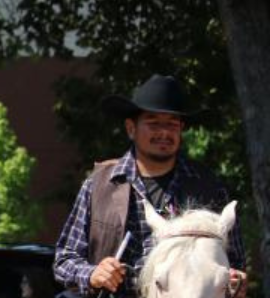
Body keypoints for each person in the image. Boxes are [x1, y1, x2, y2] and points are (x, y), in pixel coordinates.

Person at [52, 75, 248, 298]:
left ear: (181, 129)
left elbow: (236, 262)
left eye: (172, 124)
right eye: (153, 123)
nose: (164, 132)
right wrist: (92, 274)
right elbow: (64, 259)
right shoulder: (98, 185)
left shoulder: (209, 188)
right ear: (131, 128)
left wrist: (236, 280)